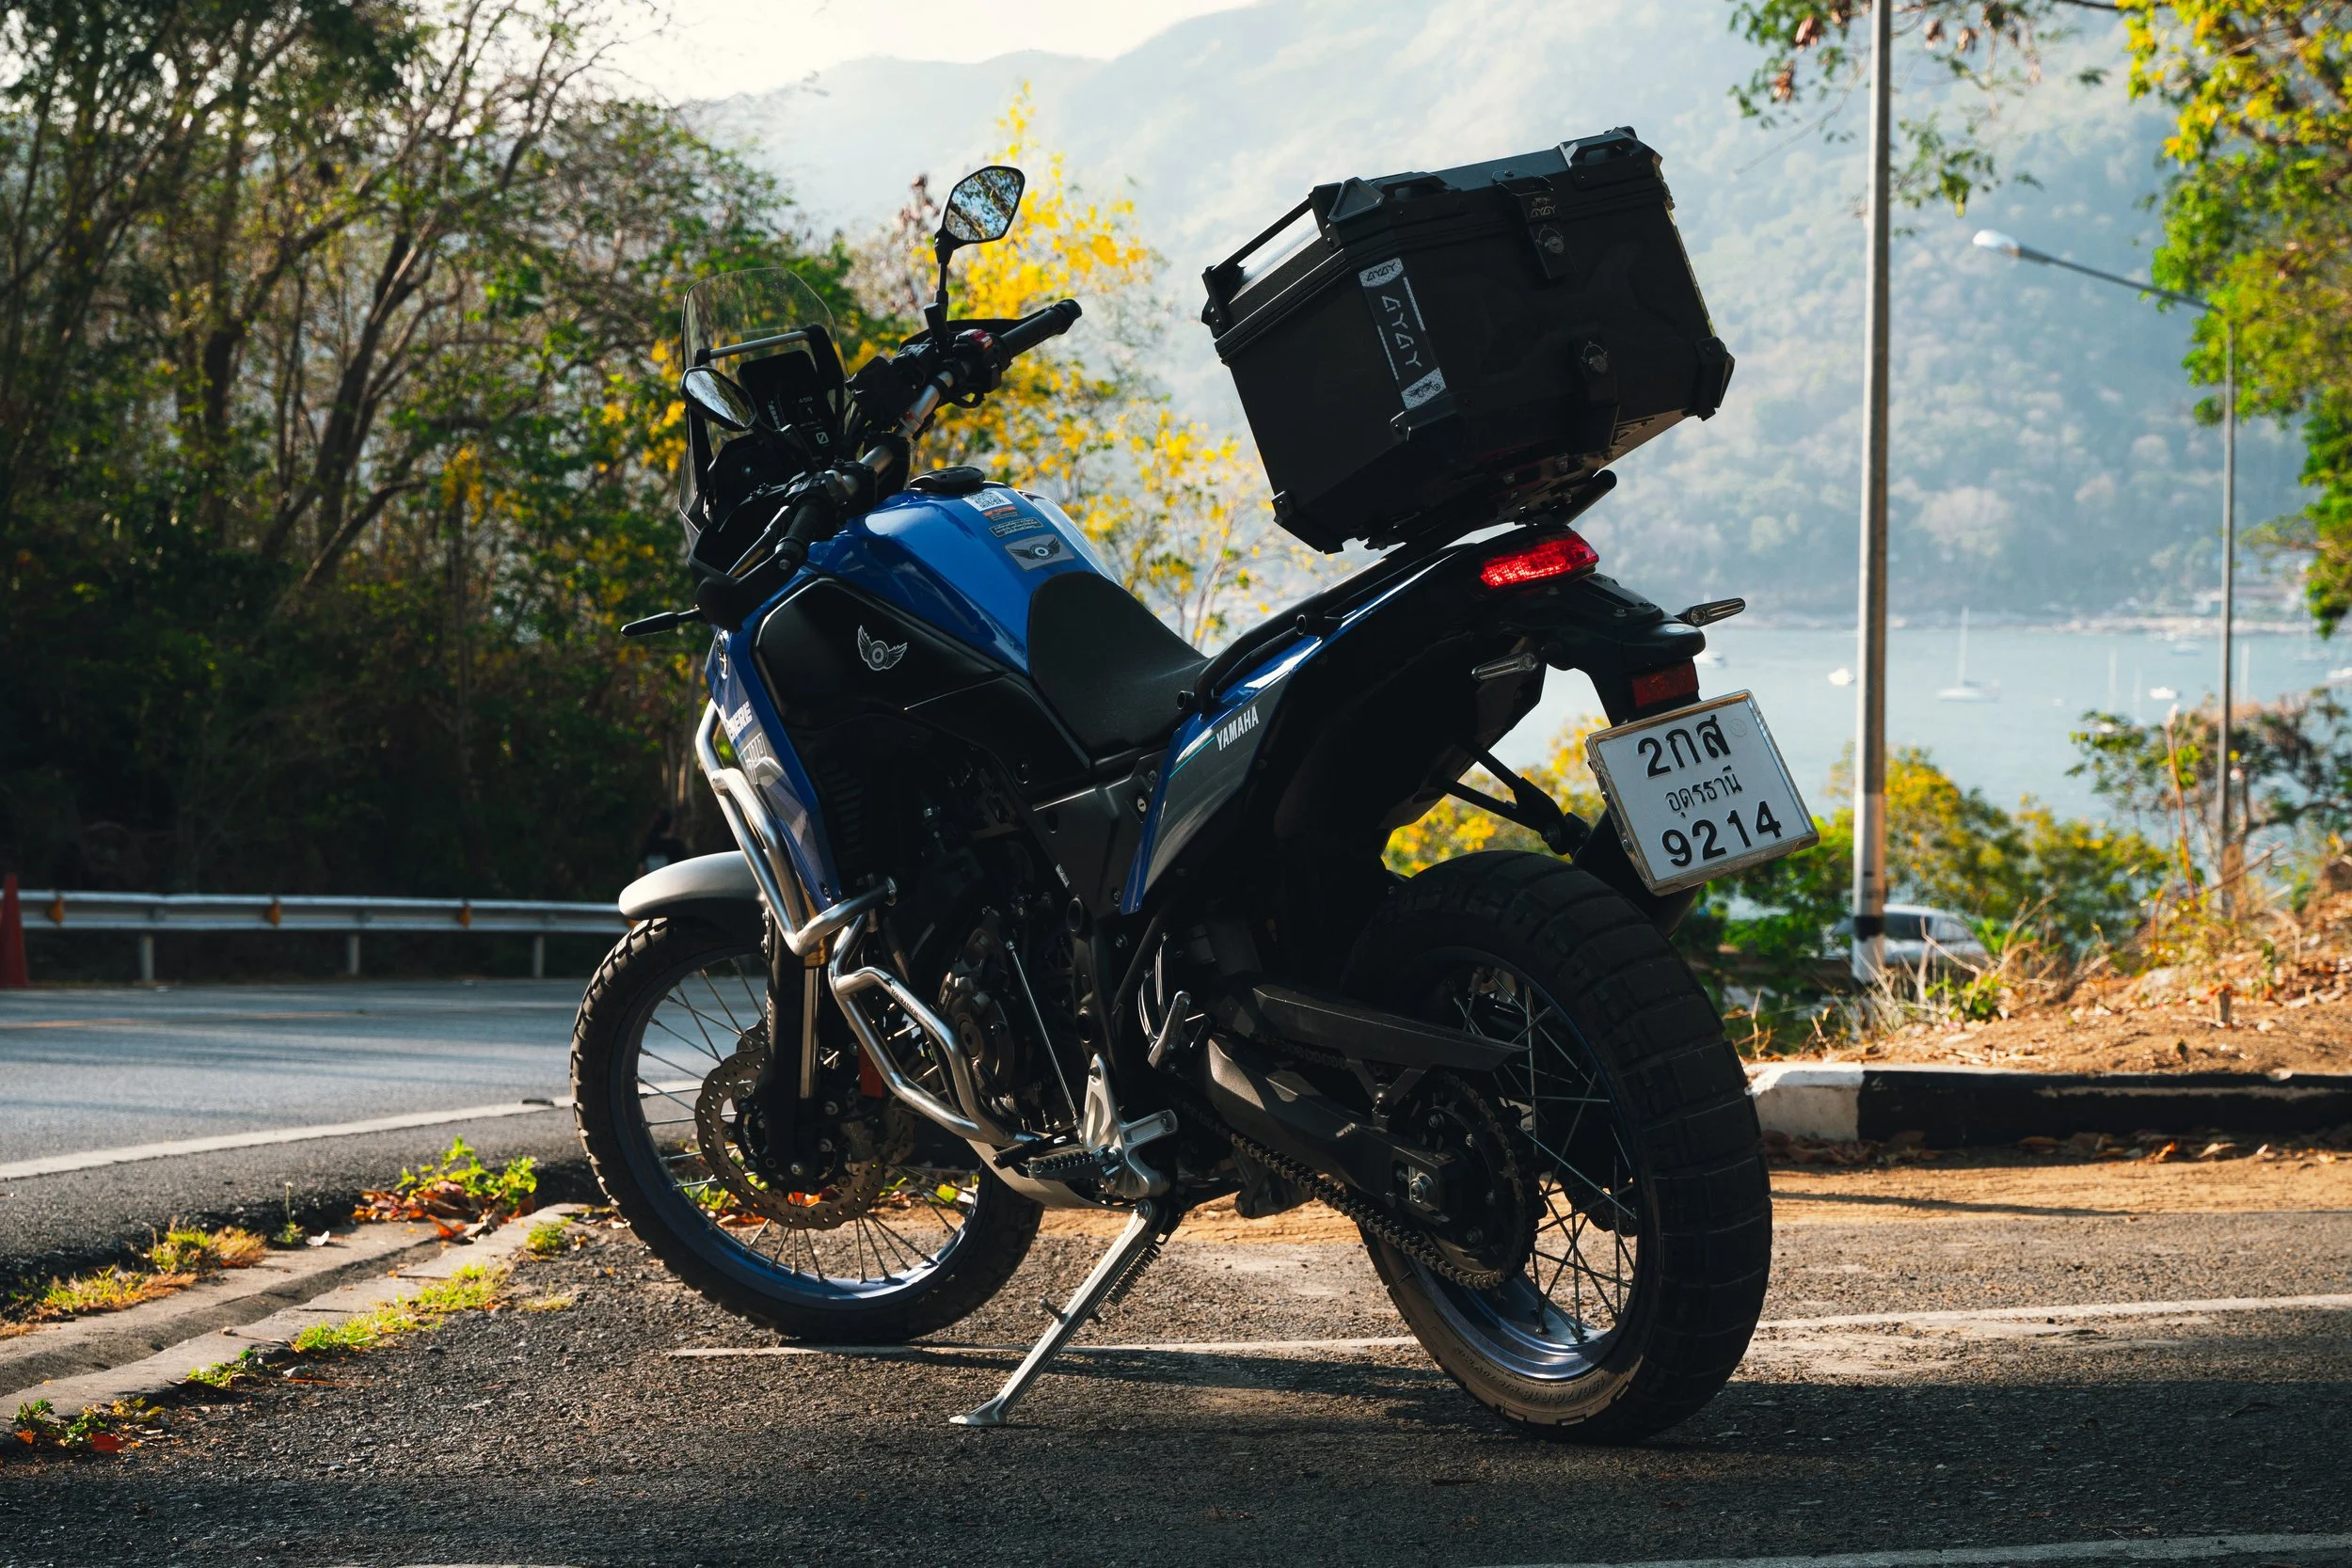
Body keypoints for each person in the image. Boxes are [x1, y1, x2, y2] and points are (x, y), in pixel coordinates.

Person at [638, 809, 689, 877]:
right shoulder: (676, 846)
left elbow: (641, 870)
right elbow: (684, 870)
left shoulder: (648, 844)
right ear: (671, 824)